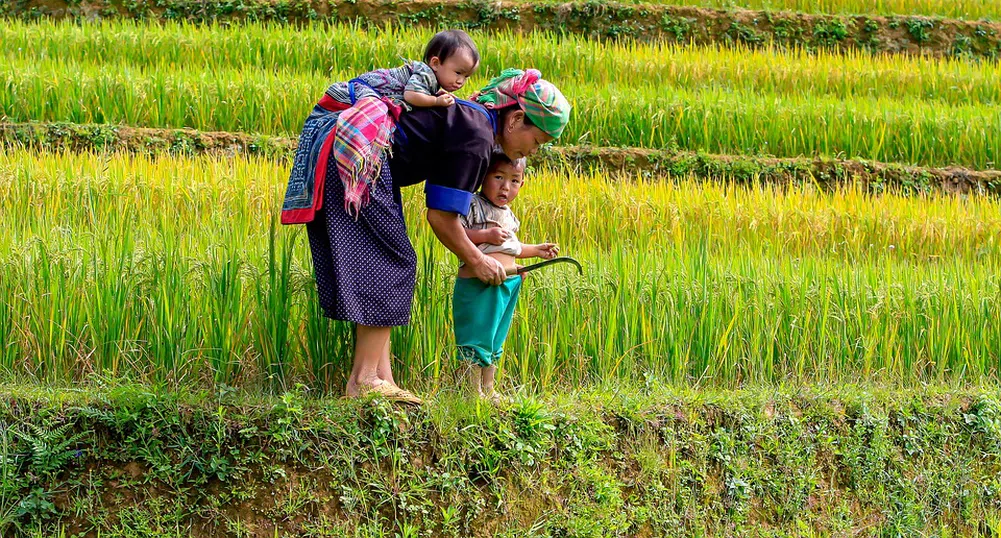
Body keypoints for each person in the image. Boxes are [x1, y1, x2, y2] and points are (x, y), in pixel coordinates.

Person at [281, 67, 571, 403]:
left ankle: (379, 378)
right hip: (363, 156)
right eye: (538, 141)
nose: (534, 151)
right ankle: (363, 379)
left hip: (352, 152)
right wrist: (476, 259)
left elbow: (442, 212)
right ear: (516, 118)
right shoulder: (477, 138)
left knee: (382, 262)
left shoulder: (472, 124)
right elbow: (442, 218)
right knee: (393, 263)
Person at [454, 151, 559, 403]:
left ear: (522, 183)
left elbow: (515, 248)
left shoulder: (509, 215)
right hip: (480, 282)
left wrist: (537, 250)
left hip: (509, 282)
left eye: (514, 180)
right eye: (499, 177)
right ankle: (470, 392)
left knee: (495, 338)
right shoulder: (473, 204)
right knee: (477, 336)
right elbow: (456, 233)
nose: (505, 187)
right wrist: (485, 236)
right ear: (483, 176)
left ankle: (488, 389)